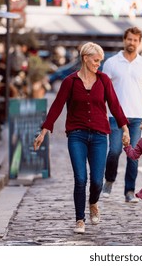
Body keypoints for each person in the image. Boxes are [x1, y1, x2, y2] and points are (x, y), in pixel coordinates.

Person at [33, 42, 129, 234]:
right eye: (95, 60)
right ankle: (79, 219)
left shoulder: (103, 81)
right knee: (80, 178)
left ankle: (93, 202)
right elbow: (57, 107)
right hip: (77, 135)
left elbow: (115, 105)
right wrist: (44, 131)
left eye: (100, 61)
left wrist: (125, 128)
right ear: (85, 59)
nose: (98, 64)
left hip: (100, 136)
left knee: (96, 181)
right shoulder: (70, 82)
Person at [101, 27, 142, 203]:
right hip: (115, 116)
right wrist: (100, 112)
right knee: (114, 150)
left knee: (133, 154)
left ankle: (129, 191)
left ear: (139, 43)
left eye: (135, 40)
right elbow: (102, 91)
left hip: (136, 118)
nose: (132, 43)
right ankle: (109, 181)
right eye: (129, 39)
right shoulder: (111, 63)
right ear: (124, 40)